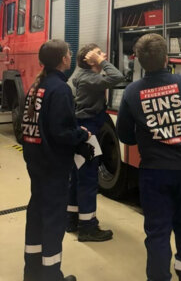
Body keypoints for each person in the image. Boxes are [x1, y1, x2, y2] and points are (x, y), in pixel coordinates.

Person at [116, 33, 181, 281]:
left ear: (138, 61)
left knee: (158, 231)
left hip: (154, 172)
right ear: (167, 59)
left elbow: (125, 136)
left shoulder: (131, 92)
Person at [23, 39, 93, 281]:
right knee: (53, 222)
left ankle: (32, 273)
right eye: (69, 53)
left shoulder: (36, 86)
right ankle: (51, 275)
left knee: (36, 216)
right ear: (64, 60)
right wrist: (82, 134)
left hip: (36, 164)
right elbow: (61, 132)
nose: (71, 55)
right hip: (53, 168)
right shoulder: (60, 89)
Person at [66, 43, 124, 242]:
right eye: (99, 54)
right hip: (88, 133)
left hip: (81, 130)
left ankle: (72, 219)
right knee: (89, 178)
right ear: (88, 60)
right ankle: (88, 227)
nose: (104, 55)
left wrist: (97, 59)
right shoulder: (89, 78)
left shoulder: (79, 73)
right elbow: (117, 77)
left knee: (76, 175)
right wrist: (102, 62)